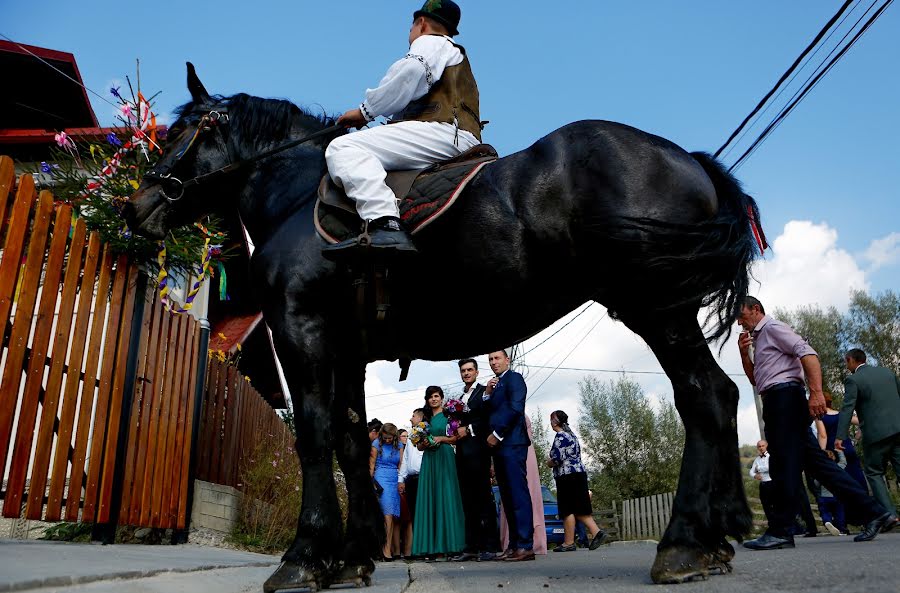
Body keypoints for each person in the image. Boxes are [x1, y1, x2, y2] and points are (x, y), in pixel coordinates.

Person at [322, 0, 482, 259]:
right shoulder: (450, 52)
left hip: (443, 133)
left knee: (344, 147)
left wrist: (365, 112)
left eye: (411, 27)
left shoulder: (432, 42)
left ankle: (384, 221)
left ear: (421, 24)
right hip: (457, 135)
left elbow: (409, 72)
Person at [736, 296, 894, 550]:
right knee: (818, 465)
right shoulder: (759, 339)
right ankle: (875, 512)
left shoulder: (773, 328)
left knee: (782, 464)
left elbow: (808, 354)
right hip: (778, 398)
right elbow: (756, 379)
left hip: (784, 398)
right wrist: (745, 354)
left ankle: (782, 530)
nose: (740, 322)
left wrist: (817, 393)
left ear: (756, 310)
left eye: (741, 315)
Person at [836, 349, 900, 521]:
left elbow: (848, 408)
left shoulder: (853, 379)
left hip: (875, 435)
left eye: (846, 362)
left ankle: (891, 515)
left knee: (874, 472)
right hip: (898, 429)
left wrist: (840, 435)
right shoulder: (887, 373)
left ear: (850, 360)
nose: (846, 366)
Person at [484, 350, 534, 562]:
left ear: (507, 360)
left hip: (512, 442)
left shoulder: (514, 378)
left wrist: (496, 434)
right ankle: (514, 546)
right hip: (500, 448)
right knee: (507, 497)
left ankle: (525, 545)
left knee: (518, 493)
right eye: (490, 360)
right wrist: (487, 393)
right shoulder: (496, 385)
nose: (494, 363)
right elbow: (490, 411)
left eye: (497, 358)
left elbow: (515, 408)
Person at [450, 358, 500, 562]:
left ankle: (490, 546)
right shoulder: (460, 396)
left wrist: (468, 429)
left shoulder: (484, 392)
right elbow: (457, 422)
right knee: (467, 501)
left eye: (470, 369)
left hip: (478, 451)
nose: (466, 373)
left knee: (483, 499)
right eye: (463, 370)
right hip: (461, 452)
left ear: (477, 372)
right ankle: (471, 546)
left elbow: (489, 419)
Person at [412, 386, 466, 558]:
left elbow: (456, 438)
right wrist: (424, 444)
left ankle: (451, 545)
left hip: (445, 456)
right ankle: (431, 547)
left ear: (442, 398)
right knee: (431, 499)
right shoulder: (424, 419)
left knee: (446, 497)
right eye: (430, 397)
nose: (433, 399)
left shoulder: (450, 415)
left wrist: (441, 439)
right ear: (427, 399)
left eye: (436, 396)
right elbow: (418, 445)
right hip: (429, 460)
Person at [547, 410, 607, 552]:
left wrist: (549, 462)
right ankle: (596, 532)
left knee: (567, 508)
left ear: (555, 422)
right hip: (579, 474)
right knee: (579, 507)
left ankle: (569, 543)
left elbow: (557, 459)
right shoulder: (572, 436)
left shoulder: (560, 437)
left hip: (567, 476)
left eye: (551, 420)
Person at [499, 415, 547, 554]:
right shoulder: (519, 414)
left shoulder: (515, 413)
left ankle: (523, 539)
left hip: (519, 451)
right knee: (524, 491)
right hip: (524, 450)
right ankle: (521, 538)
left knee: (521, 491)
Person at [815, 393, 866, 488]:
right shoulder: (842, 414)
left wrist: (821, 453)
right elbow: (863, 421)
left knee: (839, 481)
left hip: (833, 451)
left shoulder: (820, 417)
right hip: (848, 448)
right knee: (856, 475)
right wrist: (857, 437)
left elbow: (823, 435)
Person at [371, 423, 404, 560]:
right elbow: (371, 464)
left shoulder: (399, 445)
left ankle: (387, 547)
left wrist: (401, 480)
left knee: (392, 517)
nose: (388, 440)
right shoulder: (376, 443)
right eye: (385, 437)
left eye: (390, 438)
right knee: (387, 516)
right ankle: (385, 551)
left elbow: (402, 463)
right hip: (381, 478)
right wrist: (370, 483)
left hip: (395, 479)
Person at [399, 409, 425, 557]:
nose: (410, 419)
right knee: (414, 513)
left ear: (420, 417)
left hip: (424, 477)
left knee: (425, 511)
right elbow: (406, 460)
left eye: (413, 416)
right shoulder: (410, 437)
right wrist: (401, 479)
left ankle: (428, 546)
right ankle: (418, 548)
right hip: (411, 479)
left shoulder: (426, 432)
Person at [816, 449, 849, 536]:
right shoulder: (838, 467)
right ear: (833, 458)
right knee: (839, 512)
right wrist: (839, 451)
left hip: (824, 496)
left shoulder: (821, 470)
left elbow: (816, 483)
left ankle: (827, 521)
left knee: (825, 511)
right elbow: (844, 462)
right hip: (838, 495)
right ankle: (841, 529)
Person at [750, 440, 775, 527]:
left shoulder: (771, 456)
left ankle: (779, 527)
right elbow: (751, 471)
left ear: (766, 446)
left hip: (772, 484)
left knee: (775, 506)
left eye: (762, 446)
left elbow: (770, 468)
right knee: (766, 506)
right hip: (763, 485)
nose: (761, 448)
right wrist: (755, 476)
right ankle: (772, 526)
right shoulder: (757, 459)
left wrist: (760, 469)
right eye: (759, 446)